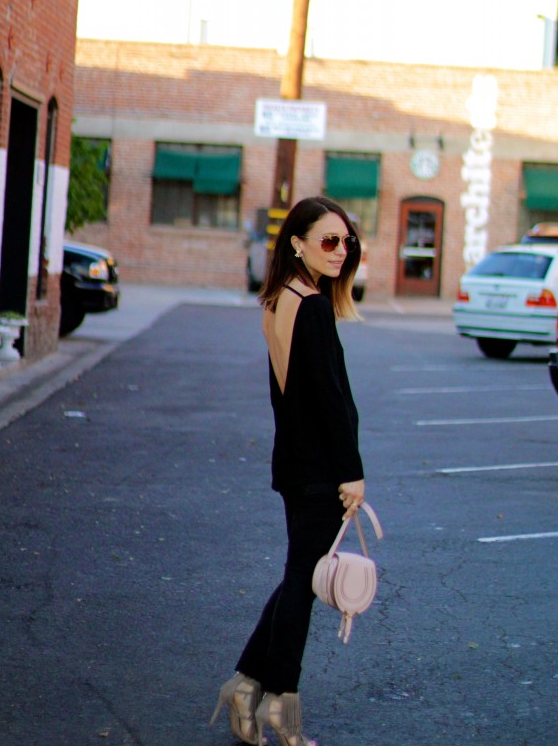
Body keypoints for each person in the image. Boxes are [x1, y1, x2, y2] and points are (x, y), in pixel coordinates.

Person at [210, 196, 365, 746]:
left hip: (295, 465)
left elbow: (291, 398)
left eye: (346, 242)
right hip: (322, 469)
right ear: (296, 243)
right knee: (301, 585)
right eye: (328, 241)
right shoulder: (314, 307)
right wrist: (352, 472)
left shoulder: (279, 298)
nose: (340, 251)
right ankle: (280, 705)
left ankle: (246, 686)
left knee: (297, 578)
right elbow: (329, 399)